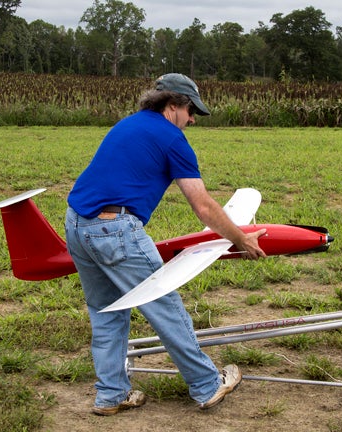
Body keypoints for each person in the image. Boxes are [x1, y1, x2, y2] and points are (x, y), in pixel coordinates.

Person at [64, 73, 267, 415]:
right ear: (173, 105)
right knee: (165, 306)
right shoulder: (173, 139)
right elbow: (203, 206)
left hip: (76, 225)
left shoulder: (128, 124)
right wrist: (241, 238)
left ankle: (111, 394)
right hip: (115, 230)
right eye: (191, 111)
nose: (192, 120)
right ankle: (207, 384)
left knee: (105, 312)